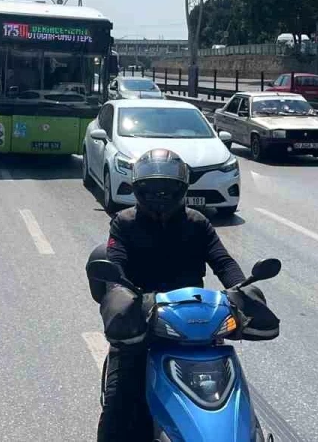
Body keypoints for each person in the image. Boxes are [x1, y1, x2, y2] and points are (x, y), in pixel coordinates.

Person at [96, 149, 272, 441]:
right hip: (140, 323)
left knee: (237, 395)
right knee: (119, 403)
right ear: (138, 189)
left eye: (166, 189)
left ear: (182, 188)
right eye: (151, 189)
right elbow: (115, 267)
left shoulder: (197, 222)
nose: (159, 196)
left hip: (196, 325)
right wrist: (125, 298)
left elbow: (224, 262)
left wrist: (241, 291)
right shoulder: (124, 223)